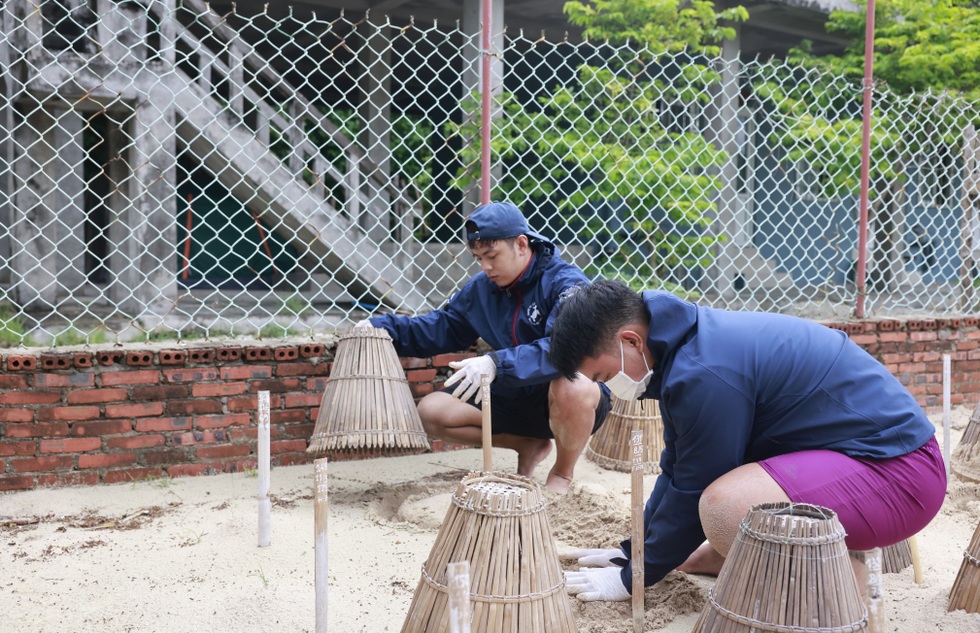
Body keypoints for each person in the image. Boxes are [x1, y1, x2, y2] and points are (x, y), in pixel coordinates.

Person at [548, 279, 946, 601]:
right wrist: (633, 550)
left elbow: (695, 485)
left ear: (631, 341)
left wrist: (635, 578)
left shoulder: (704, 371)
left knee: (725, 506)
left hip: (900, 473)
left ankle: (840, 576)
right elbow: (678, 466)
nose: (612, 390)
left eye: (603, 376)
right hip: (854, 460)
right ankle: (720, 558)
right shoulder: (684, 352)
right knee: (719, 504)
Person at [357, 201, 611, 492]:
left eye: (492, 256)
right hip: (513, 394)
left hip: (565, 400)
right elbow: (440, 327)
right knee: (431, 410)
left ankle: (562, 474)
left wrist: (495, 363)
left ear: (521, 243)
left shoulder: (567, 283)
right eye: (478, 258)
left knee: (573, 384)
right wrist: (382, 328)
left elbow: (564, 349)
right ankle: (527, 445)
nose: (485, 267)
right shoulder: (481, 288)